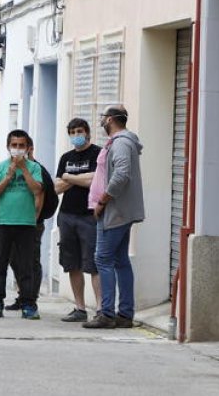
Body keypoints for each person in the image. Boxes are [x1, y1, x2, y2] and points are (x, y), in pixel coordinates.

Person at [83, 106, 145, 330]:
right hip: (115, 211)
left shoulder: (120, 143)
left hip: (114, 212)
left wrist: (103, 200)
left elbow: (121, 174)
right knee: (120, 260)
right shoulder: (119, 142)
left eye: (103, 118)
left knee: (103, 259)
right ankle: (125, 314)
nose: (101, 121)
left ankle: (107, 313)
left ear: (110, 119)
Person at [0, 130, 44, 321]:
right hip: (3, 223)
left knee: (26, 267)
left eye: (21, 146)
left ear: (27, 148)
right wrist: (9, 176)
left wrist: (24, 169)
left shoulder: (34, 168)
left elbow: (37, 189)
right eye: (14, 145)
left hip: (26, 224)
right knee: (0, 266)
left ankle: (28, 304)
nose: (17, 149)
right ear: (8, 147)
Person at [54, 118, 102, 322]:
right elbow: (56, 187)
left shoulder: (97, 153)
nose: (76, 135)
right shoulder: (66, 157)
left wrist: (69, 177)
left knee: (93, 264)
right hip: (66, 215)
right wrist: (80, 179)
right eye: (72, 132)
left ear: (88, 132)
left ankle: (101, 309)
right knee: (72, 263)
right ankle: (80, 308)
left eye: (80, 131)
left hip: (89, 216)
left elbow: (95, 181)